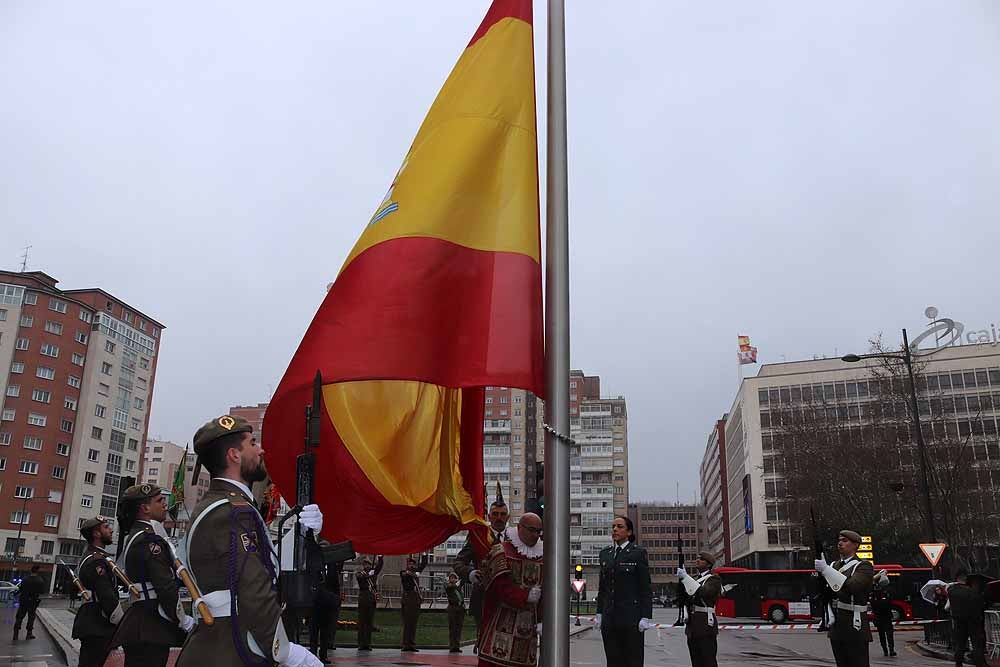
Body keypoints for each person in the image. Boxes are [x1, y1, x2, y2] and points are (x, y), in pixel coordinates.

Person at [175, 415, 323, 667]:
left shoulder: (223, 506)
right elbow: (254, 589)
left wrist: (302, 534)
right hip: (234, 647)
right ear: (234, 455)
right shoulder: (232, 511)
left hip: (224, 643)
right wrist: (283, 651)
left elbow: (259, 566)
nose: (261, 450)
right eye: (253, 443)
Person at [109, 484, 193, 667]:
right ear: (145, 508)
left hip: (141, 621)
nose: (165, 504)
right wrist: (183, 620)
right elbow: (165, 586)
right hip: (151, 624)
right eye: (159, 500)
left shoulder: (137, 535)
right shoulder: (149, 540)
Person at [478, 512, 543, 667]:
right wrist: (525, 595)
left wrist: (542, 620)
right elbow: (499, 588)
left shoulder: (543, 556)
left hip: (528, 630)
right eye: (531, 529)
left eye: (538, 531)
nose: (535, 535)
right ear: (519, 527)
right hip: (500, 625)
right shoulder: (501, 551)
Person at [454, 487, 510, 649]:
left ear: (507, 517)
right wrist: (470, 573)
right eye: (495, 514)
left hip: (507, 599)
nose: (499, 518)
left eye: (502, 514)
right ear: (489, 516)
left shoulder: (514, 539)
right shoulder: (477, 536)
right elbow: (458, 562)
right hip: (483, 598)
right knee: (485, 642)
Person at [595, 515, 653, 667]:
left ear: (629, 532)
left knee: (632, 660)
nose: (615, 529)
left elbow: (645, 588)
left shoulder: (637, 553)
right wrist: (599, 613)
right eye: (613, 526)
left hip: (631, 618)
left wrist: (646, 616)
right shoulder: (605, 554)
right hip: (610, 618)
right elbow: (603, 588)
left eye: (620, 526)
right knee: (613, 660)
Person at [815, 529, 874, 667]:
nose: (840, 543)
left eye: (845, 541)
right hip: (837, 626)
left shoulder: (864, 566)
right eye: (839, 540)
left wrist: (826, 571)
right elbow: (825, 592)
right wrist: (818, 576)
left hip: (854, 625)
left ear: (855, 545)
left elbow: (852, 587)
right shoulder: (833, 565)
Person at [72, 516, 125, 667]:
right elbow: (106, 595)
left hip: (96, 622)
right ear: (96, 534)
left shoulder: (97, 556)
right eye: (106, 527)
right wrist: (122, 622)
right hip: (97, 624)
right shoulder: (96, 560)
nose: (111, 530)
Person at [677, 552, 722, 667]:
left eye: (701, 559)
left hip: (705, 624)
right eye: (697, 558)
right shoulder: (696, 579)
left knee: (708, 660)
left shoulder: (714, 579)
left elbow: (705, 593)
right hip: (693, 625)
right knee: (695, 661)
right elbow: (685, 598)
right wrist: (681, 582)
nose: (697, 560)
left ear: (708, 564)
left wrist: (686, 578)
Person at [948, 570, 988, 667]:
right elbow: (980, 603)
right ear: (965, 579)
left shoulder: (952, 591)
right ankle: (980, 663)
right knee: (976, 644)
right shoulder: (972, 592)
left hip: (958, 621)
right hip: (972, 621)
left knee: (960, 644)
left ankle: (958, 663)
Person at [309, 560, 343, 663]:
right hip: (315, 605)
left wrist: (337, 600)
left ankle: (323, 656)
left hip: (327, 606)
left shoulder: (332, 566)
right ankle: (313, 655)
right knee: (313, 632)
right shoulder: (314, 565)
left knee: (325, 632)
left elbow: (336, 585)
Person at [399, 554, 428, 652]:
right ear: (407, 565)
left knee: (413, 623)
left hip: (415, 599)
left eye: (413, 564)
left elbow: (424, 564)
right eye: (410, 564)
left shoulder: (416, 572)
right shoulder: (404, 572)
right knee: (407, 623)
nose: (411, 565)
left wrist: (424, 553)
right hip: (407, 598)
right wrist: (415, 574)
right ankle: (405, 644)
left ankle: (412, 644)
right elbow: (405, 574)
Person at [355, 555, 384, 652]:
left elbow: (379, 566)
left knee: (369, 622)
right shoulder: (360, 573)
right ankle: (361, 643)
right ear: (363, 565)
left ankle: (367, 644)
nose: (366, 566)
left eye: (368, 564)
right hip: (363, 599)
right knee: (362, 622)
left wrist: (380, 558)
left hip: (371, 600)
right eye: (365, 564)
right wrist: (369, 574)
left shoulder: (373, 573)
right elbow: (360, 578)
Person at [12, 565, 46, 641]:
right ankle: (29, 634)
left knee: (20, 617)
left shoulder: (25, 579)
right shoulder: (40, 580)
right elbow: (42, 591)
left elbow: (20, 589)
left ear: (31, 571)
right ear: (37, 571)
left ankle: (15, 634)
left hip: (23, 601)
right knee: (31, 617)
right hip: (33, 601)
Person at [870, 571, 896, 657]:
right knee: (883, 635)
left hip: (885, 616)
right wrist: (882, 602)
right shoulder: (874, 592)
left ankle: (891, 650)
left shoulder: (886, 590)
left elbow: (889, 602)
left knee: (888, 634)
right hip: (880, 617)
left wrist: (880, 602)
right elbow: (873, 603)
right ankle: (886, 650)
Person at [446, 572, 466, 653]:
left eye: (454, 578)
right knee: (453, 628)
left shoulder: (458, 586)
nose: (453, 579)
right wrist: (457, 583)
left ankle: (457, 646)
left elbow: (464, 580)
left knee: (458, 628)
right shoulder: (449, 586)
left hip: (460, 607)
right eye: (451, 578)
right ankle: (452, 646)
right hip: (452, 607)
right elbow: (450, 586)